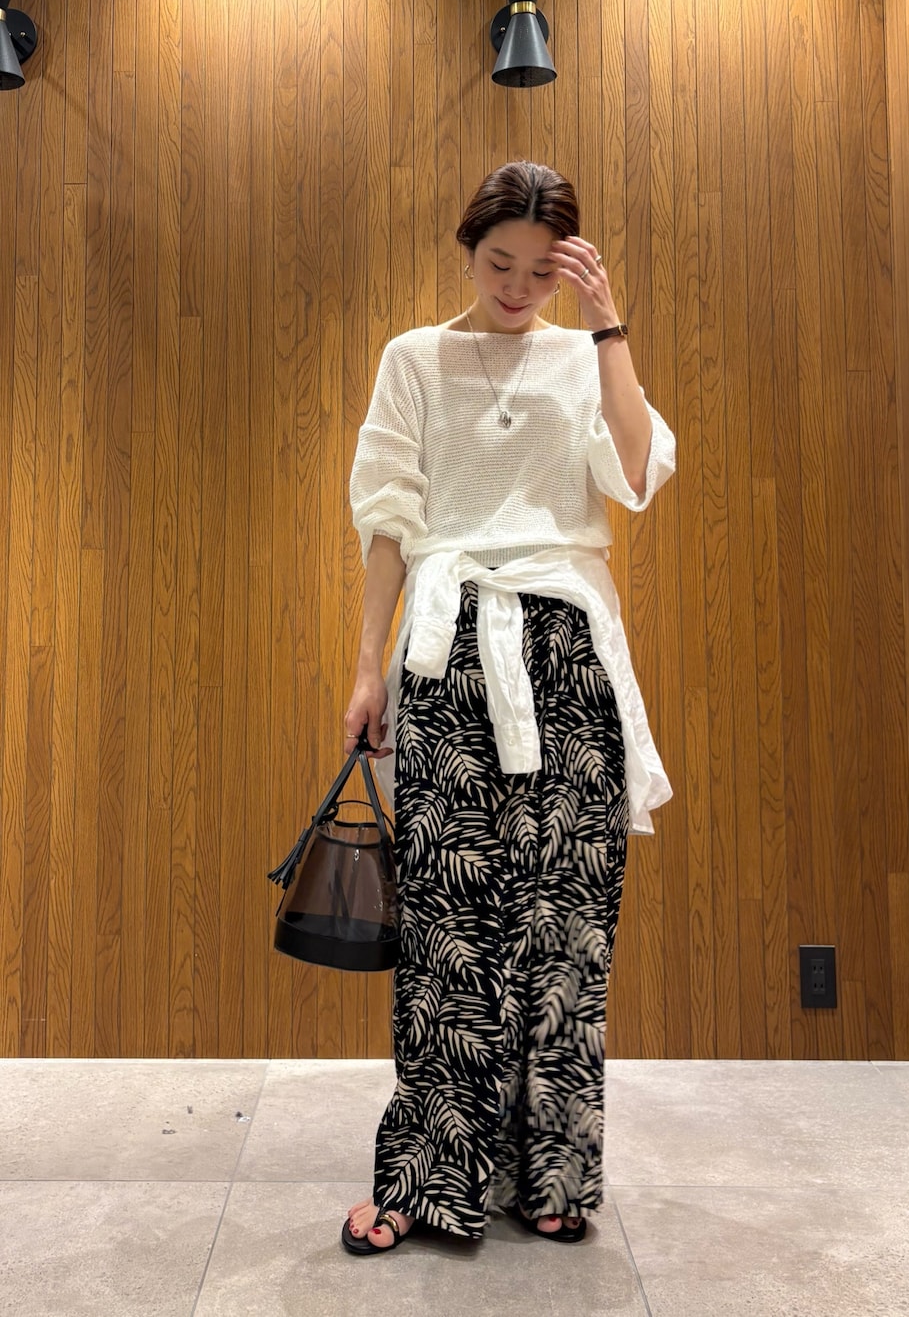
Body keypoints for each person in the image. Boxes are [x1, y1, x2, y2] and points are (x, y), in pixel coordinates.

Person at [340, 161, 675, 1256]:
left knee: (567, 921)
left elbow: (637, 473)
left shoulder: (586, 356)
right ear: (467, 249)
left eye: (541, 270)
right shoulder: (414, 359)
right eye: (500, 264)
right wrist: (367, 666)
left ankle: (554, 1173)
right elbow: (388, 519)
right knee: (449, 921)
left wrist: (608, 325)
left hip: (568, 653)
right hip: (446, 648)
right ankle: (427, 1180)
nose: (519, 287)